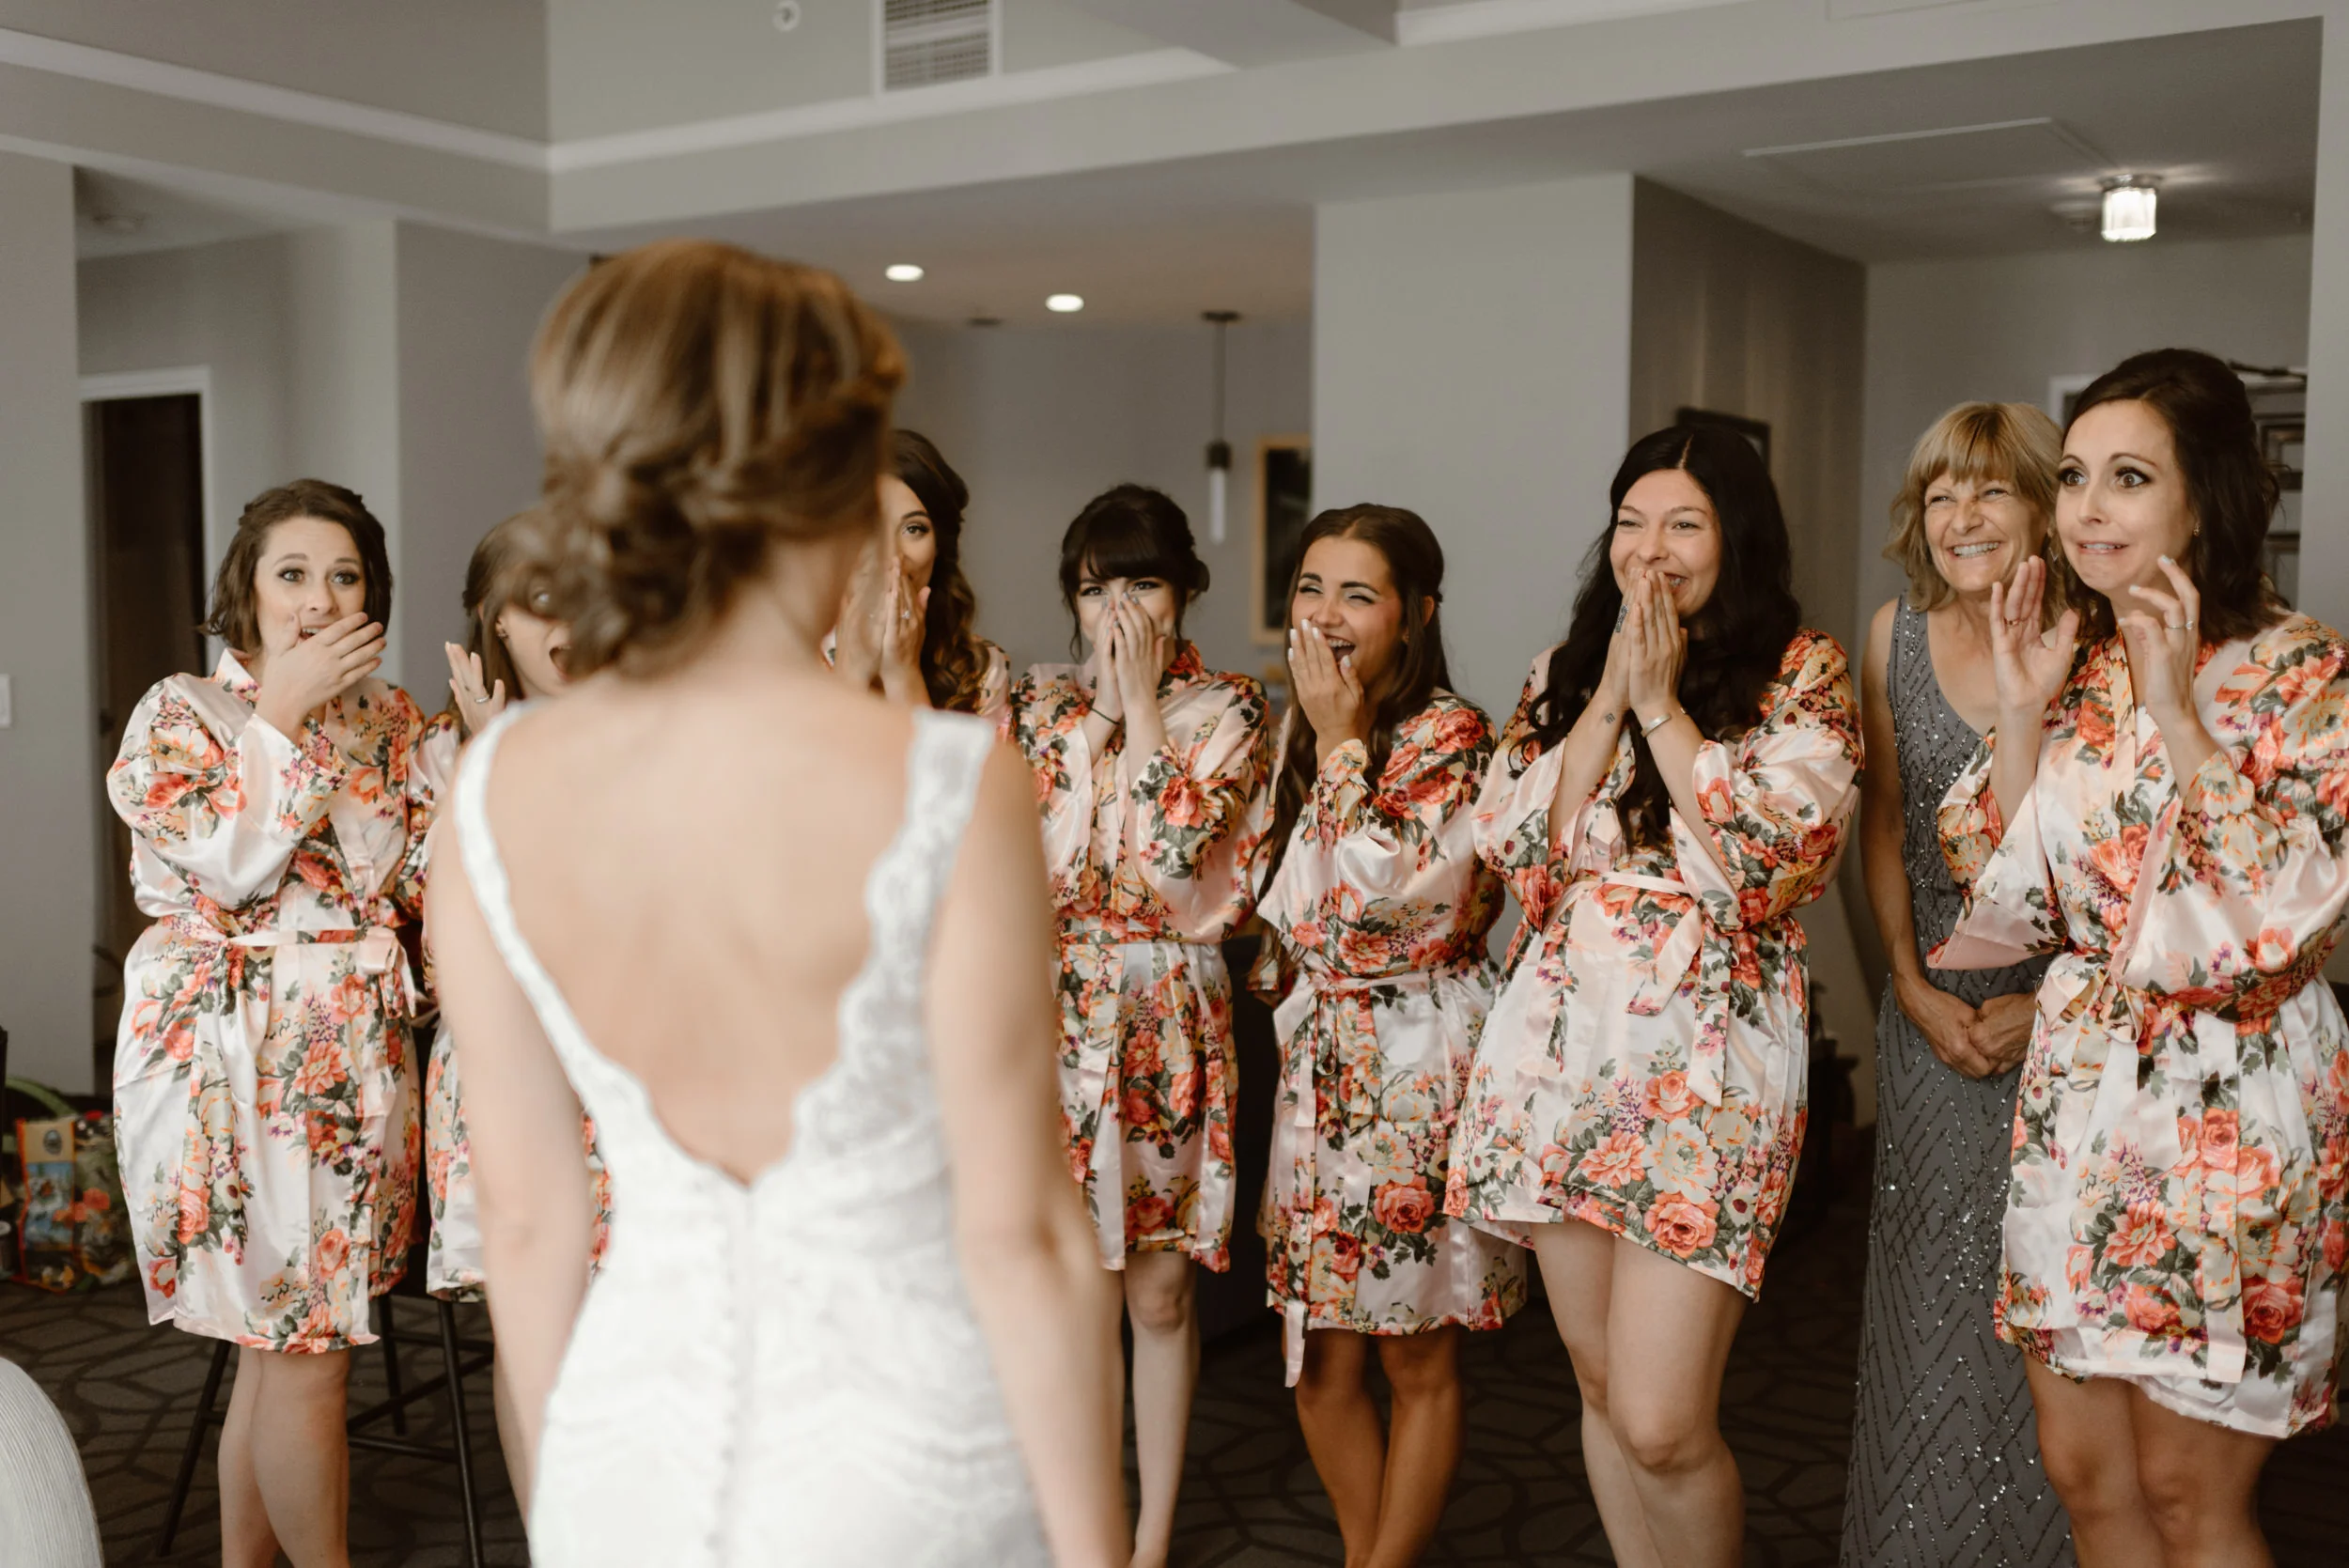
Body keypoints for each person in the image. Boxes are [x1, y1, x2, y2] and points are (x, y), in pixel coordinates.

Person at [426, 240, 1126, 1567]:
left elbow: (525, 1227)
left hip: (624, 1457)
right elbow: (1022, 1237)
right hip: (899, 1461)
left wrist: (575, 1502)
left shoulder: (488, 793)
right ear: (829, 483)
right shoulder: (946, 781)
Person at [1937, 348, 2349, 1565]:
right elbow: (2013, 896)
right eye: (2073, 476)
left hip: (2228, 1101)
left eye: (2128, 476)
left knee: (2186, 1494)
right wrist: (2022, 708)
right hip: (2080, 1100)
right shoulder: (2083, 662)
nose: (2086, 507)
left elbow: (2286, 913)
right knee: (2088, 1478)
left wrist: (2178, 712)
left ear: (2202, 498)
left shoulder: (2303, 672)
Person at [1446, 426, 1862, 1568]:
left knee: (1662, 1417)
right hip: (1559, 1044)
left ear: (1736, 538)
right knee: (1596, 1380)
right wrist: (1607, 700)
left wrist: (1663, 704)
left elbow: (1772, 861)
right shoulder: (1562, 668)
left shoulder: (1801, 669)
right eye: (1631, 522)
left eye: (1684, 523)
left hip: (1705, 1052)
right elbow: (1515, 849)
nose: (1651, 548)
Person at [108, 477, 428, 1568]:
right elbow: (229, 868)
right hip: (233, 1061)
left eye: (345, 576)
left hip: (357, 1059)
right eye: (292, 574)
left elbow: (414, 884)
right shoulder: (182, 711)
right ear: (245, 590)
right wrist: (279, 713)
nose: (319, 599)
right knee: (307, 1354)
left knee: (278, 1346)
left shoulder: (391, 720)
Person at [1250, 505, 1524, 1568]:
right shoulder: (1304, 731)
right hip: (1319, 1071)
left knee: (1415, 1358)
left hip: (1415, 1064)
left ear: (1415, 615)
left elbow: (1376, 913)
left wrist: (1338, 745)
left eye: (1356, 595)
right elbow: (1280, 915)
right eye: (1309, 588)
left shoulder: (1452, 736)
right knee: (1318, 1366)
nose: (1325, 615)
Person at [1008, 484, 1274, 1568]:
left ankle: (1149, 1539)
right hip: (1051, 1015)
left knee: (1158, 1296)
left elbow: (1175, 861)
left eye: (1143, 583)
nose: (1118, 610)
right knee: (1063, 1290)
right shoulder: (1034, 707)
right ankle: (1077, 1530)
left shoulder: (1232, 708)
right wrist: (1103, 715)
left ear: (1187, 590)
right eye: (1094, 588)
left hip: (1166, 1012)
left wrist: (1146, 711)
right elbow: (1032, 863)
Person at [1841, 402, 2075, 1567]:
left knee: (2053, 1300)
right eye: (1940, 494)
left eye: (1989, 489)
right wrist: (1905, 980)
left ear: (2042, 506)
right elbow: (1882, 821)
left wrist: (2059, 995)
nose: (1961, 516)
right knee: (1931, 1292)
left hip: (2071, 1018)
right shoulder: (1893, 632)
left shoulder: (2101, 637)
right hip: (1929, 1011)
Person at [422, 508, 607, 1303]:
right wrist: (496, 762)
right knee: (532, 1313)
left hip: (626, 1056)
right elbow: (448, 953)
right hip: (506, 1059)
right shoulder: (445, 754)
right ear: (496, 616)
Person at [831, 428, 1012, 729]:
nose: (891, 556)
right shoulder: (790, 658)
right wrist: (851, 673)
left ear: (939, 544)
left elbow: (959, 765)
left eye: (913, 529)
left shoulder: (979, 668)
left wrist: (905, 675)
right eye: (868, 528)